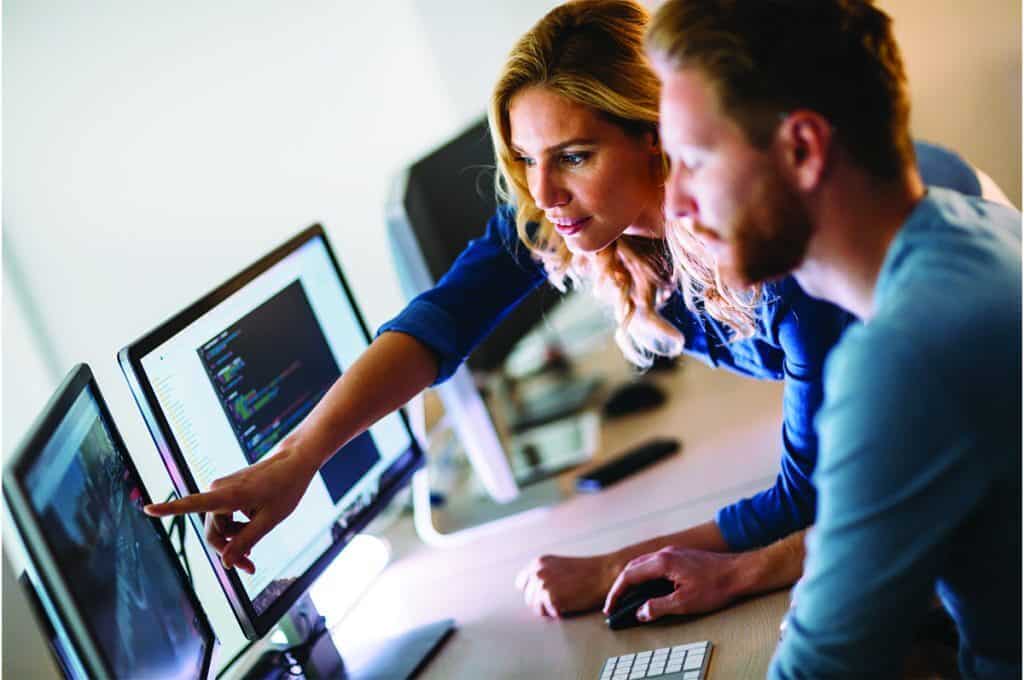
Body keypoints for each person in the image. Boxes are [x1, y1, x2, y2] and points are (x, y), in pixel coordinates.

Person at [144, 0, 1000, 629]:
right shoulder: (586, 214)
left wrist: (614, 569)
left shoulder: (785, 244)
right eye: (523, 159)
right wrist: (297, 460)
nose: (543, 194)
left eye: (575, 156)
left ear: (656, 136)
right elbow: (441, 321)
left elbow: (809, 496)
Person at [600, 1, 1019, 677]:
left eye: (694, 162)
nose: (673, 203)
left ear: (802, 149)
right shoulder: (969, 225)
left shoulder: (905, 356)